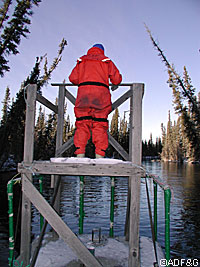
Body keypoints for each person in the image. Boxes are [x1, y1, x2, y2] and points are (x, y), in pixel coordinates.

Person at [69, 43, 122, 158]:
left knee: (82, 124)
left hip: (84, 97)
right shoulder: (106, 61)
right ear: (102, 51)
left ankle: (80, 154)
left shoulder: (82, 60)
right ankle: (99, 156)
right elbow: (116, 79)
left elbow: (73, 78)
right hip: (101, 97)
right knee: (100, 124)